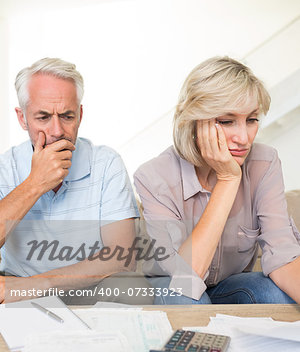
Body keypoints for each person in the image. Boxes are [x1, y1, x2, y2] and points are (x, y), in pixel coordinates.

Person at [134, 56, 300, 305]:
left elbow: (282, 256)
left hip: (229, 283)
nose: (243, 138)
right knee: (189, 302)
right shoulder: (153, 177)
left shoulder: (265, 163)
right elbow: (187, 277)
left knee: (275, 293)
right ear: (193, 122)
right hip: (173, 283)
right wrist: (228, 179)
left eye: (252, 120)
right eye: (226, 121)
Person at [0, 57, 153, 305]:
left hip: (89, 287)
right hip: (18, 289)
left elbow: (121, 256)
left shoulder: (106, 163)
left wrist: (39, 284)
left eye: (67, 116)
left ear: (80, 115)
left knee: (132, 288)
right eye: (43, 117)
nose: (57, 131)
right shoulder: (5, 168)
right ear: (22, 118)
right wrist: (35, 183)